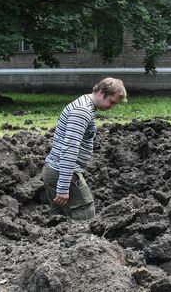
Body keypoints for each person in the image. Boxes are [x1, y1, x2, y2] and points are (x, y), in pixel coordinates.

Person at [42, 77, 127, 220]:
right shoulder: (82, 111)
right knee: (85, 214)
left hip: (54, 170)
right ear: (100, 92)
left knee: (59, 219)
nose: (112, 106)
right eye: (111, 102)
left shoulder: (84, 104)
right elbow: (70, 148)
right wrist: (63, 186)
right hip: (62, 171)